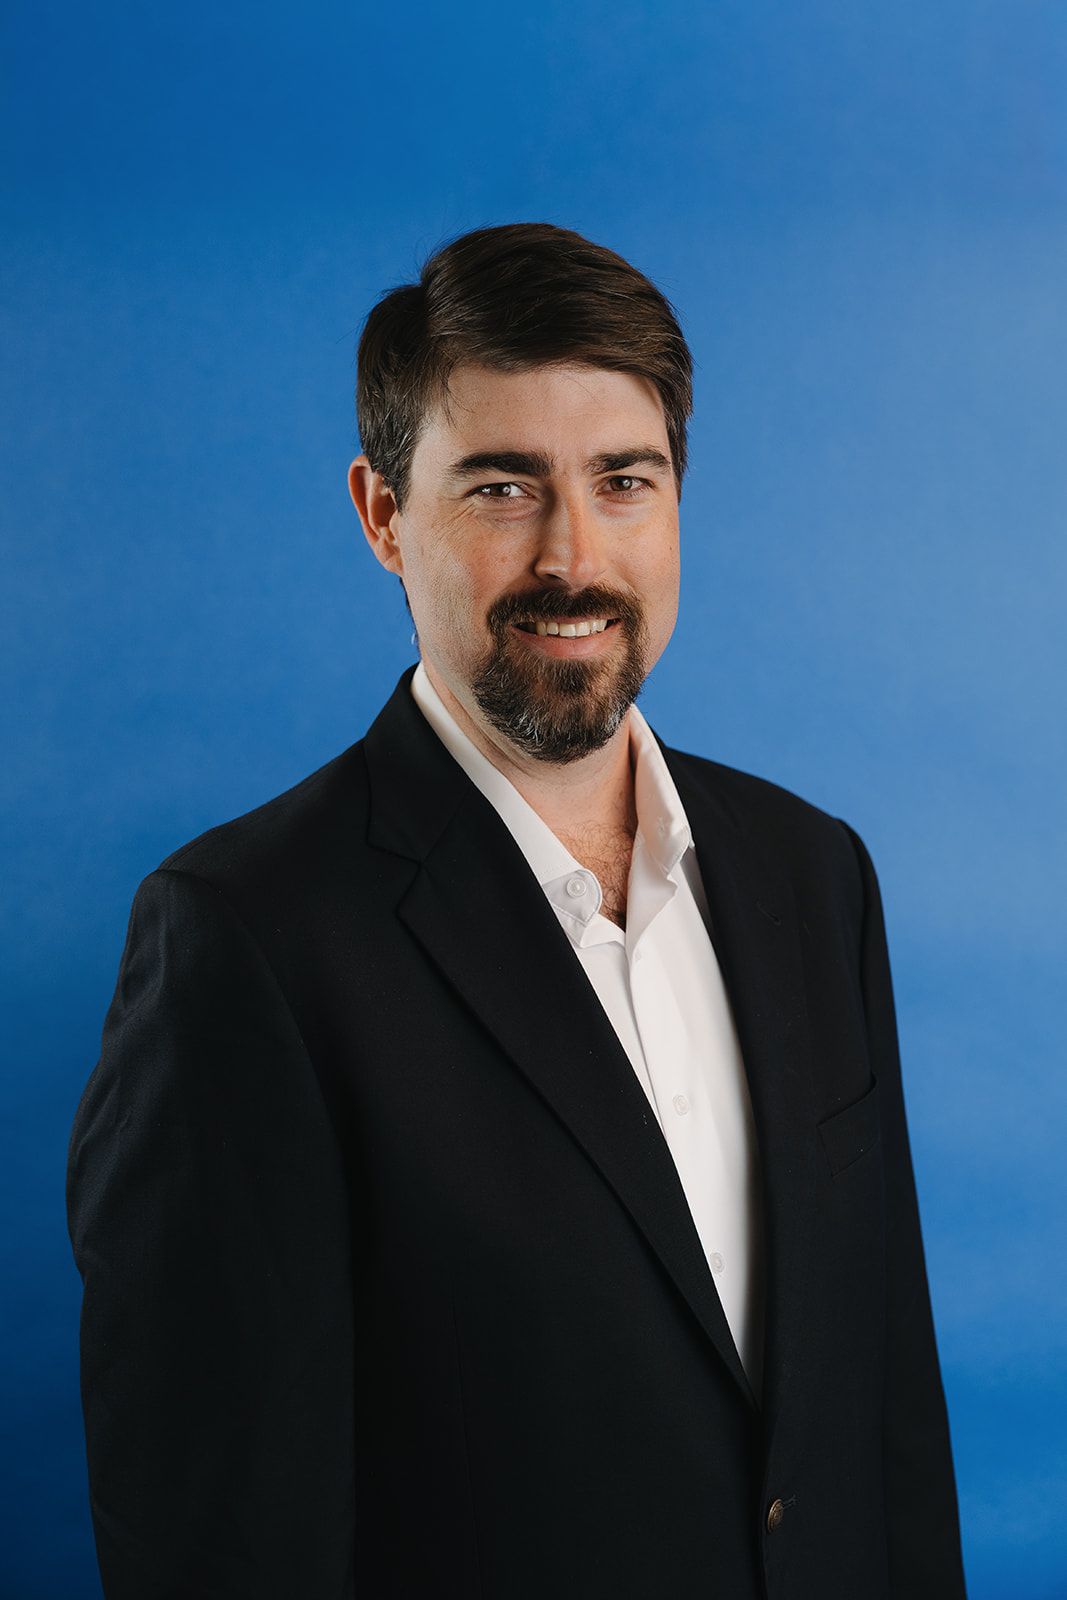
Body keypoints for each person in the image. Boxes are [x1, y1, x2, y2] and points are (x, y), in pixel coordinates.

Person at [67, 222, 967, 1599]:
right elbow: (219, 1550)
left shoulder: (812, 875)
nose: (573, 557)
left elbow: (889, 1423)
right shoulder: (242, 944)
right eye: (502, 487)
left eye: (625, 481)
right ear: (382, 515)